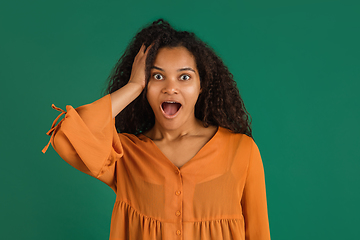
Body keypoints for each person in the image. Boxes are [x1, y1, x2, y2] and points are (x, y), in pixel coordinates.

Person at [43, 19, 270, 240]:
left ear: (202, 86)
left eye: (184, 77)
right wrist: (133, 87)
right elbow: (69, 134)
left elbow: (259, 234)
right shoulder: (124, 154)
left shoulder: (242, 151)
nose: (170, 88)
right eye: (157, 76)